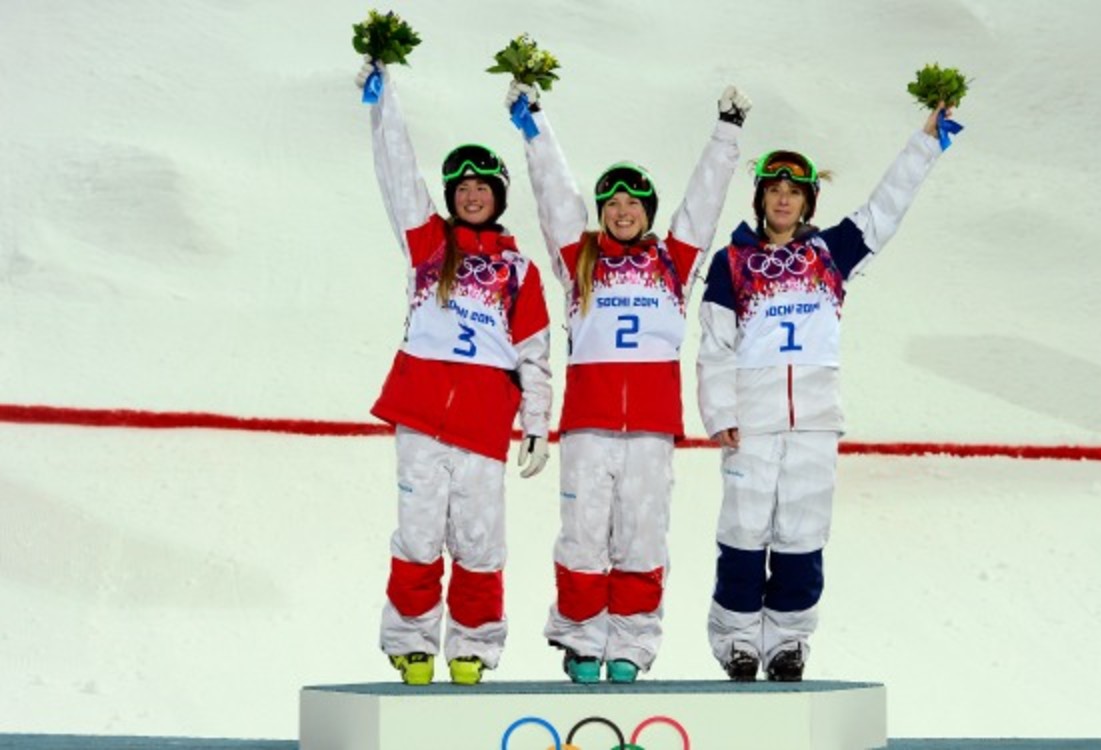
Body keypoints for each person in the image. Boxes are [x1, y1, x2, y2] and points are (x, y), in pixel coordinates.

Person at [697, 104, 960, 681]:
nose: (784, 200)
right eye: (775, 190)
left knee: (802, 532)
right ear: (761, 199)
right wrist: (718, 412)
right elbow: (715, 344)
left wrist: (926, 141)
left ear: (809, 202)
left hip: (814, 419)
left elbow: (885, 209)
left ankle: (789, 641)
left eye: (795, 192)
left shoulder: (830, 254)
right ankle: (737, 639)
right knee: (743, 532)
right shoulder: (732, 262)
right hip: (753, 420)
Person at [503, 79, 751, 683]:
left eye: (632, 204)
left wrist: (727, 132)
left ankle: (633, 646)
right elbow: (555, 196)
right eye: (611, 203)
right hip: (587, 425)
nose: (621, 211)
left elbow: (704, 202)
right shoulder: (578, 261)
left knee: (641, 539)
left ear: (648, 213)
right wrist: (534, 124)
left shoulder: (675, 261)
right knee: (584, 535)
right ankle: (583, 640)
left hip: (650, 428)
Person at [355, 58, 553, 686]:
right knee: (417, 536)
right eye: (462, 187)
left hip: (481, 423)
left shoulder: (519, 271)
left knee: (478, 542)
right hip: (420, 417)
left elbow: (536, 354)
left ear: (498, 197)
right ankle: (411, 642)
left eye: (482, 187)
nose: (471, 195)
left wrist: (537, 423)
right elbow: (398, 175)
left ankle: (473, 645)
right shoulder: (428, 249)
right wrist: (383, 103)